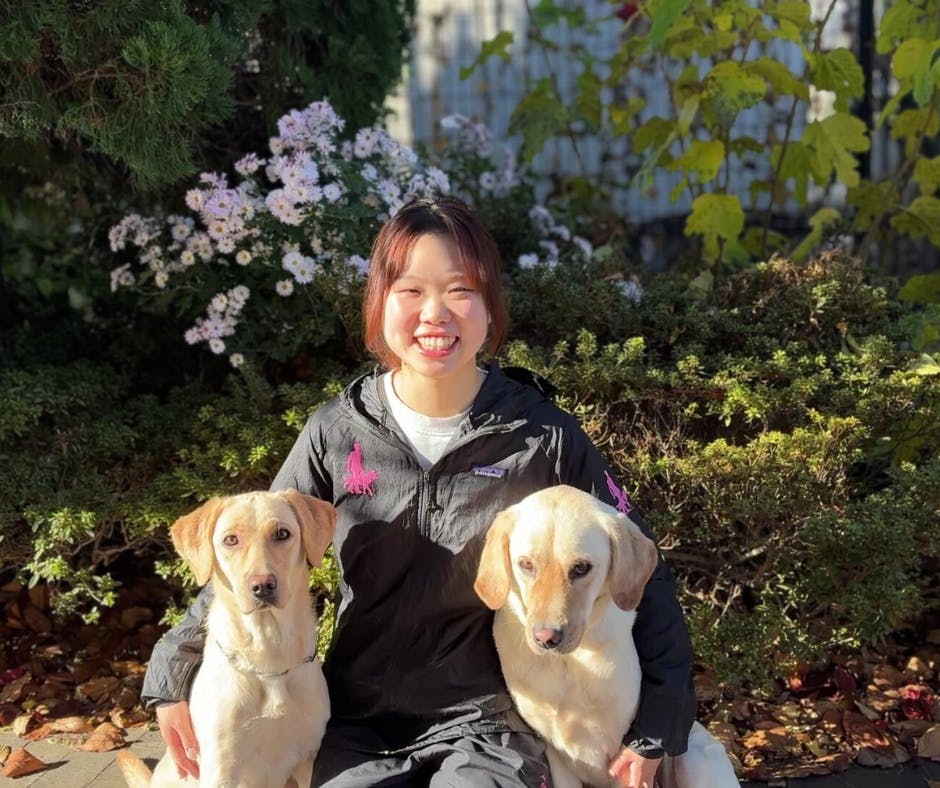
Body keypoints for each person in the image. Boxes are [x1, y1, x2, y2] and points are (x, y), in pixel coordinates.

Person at [142, 197, 722, 788]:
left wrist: (658, 724)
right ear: (380, 303)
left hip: (490, 722)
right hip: (358, 721)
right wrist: (172, 669)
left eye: (460, 290)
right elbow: (252, 553)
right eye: (411, 290)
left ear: (490, 307)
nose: (435, 314)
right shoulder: (336, 431)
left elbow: (642, 569)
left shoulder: (540, 433)